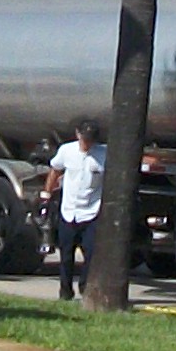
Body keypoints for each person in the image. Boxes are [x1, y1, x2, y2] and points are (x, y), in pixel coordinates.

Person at [44, 120, 105, 301]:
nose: (87, 143)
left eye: (90, 140)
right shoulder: (67, 151)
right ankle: (65, 290)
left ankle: (85, 285)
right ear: (78, 134)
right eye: (84, 138)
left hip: (91, 211)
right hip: (69, 210)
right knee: (66, 255)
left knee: (91, 252)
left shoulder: (103, 155)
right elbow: (55, 171)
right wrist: (46, 194)